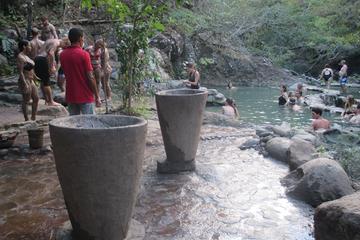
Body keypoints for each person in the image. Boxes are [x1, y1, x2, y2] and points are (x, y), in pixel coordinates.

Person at [60, 28, 101, 115]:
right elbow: (90, 77)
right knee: (90, 123)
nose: (83, 40)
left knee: (74, 124)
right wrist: (97, 96)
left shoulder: (62, 55)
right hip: (85, 95)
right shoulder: (84, 54)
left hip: (71, 95)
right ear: (80, 39)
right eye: (83, 38)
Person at [17, 40, 39, 121]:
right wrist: (24, 83)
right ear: (24, 47)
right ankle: (26, 119)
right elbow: (21, 72)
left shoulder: (27, 56)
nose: (31, 47)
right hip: (25, 80)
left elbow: (31, 70)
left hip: (31, 80)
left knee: (36, 98)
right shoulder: (20, 57)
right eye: (29, 45)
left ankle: (33, 117)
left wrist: (35, 77)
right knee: (26, 100)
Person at [34, 39, 61, 106]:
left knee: (42, 81)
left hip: (37, 58)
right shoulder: (57, 42)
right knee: (46, 82)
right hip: (43, 60)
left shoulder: (50, 40)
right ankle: (51, 101)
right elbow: (51, 53)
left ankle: (46, 100)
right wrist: (52, 66)